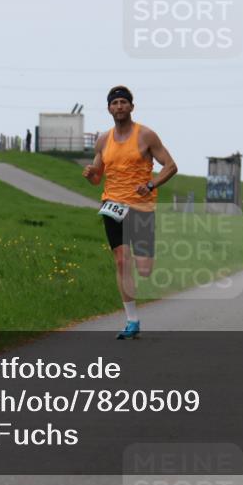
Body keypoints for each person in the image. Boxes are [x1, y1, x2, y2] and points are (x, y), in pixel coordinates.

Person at [82, 86, 178, 339]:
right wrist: (91, 174)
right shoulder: (103, 140)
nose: (119, 106)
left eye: (124, 102)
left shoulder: (146, 135)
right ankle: (132, 321)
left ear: (131, 107)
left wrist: (151, 185)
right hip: (112, 205)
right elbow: (97, 178)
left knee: (144, 269)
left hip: (141, 206)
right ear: (109, 109)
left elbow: (170, 166)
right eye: (115, 103)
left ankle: (142, 256)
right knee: (122, 260)